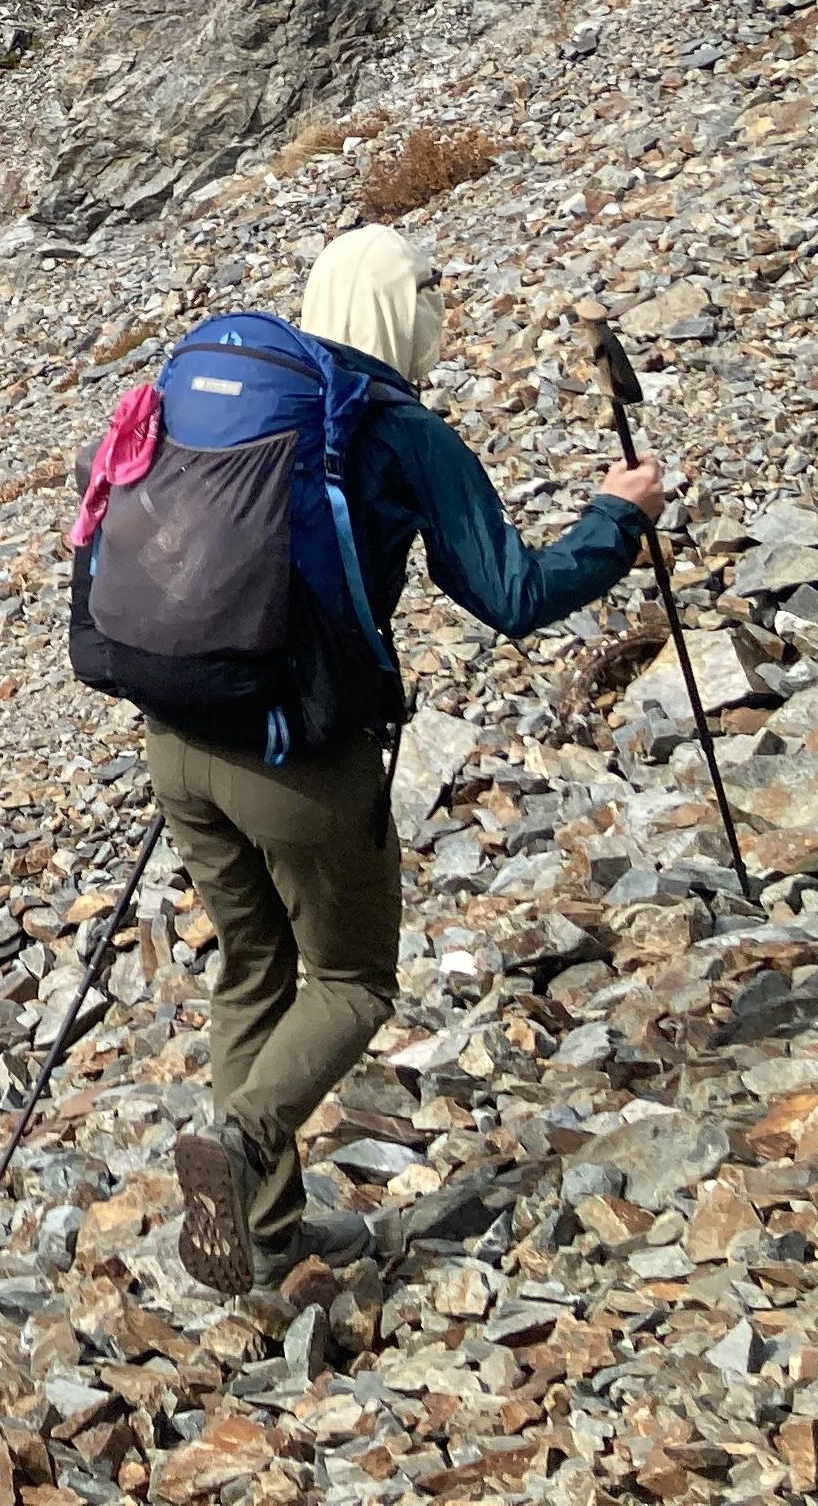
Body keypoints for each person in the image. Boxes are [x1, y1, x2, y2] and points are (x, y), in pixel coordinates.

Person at [154, 224, 665, 1294]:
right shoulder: (394, 429)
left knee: (255, 968)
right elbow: (515, 594)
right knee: (349, 979)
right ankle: (245, 1139)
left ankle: (268, 1233)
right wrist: (618, 520)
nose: (441, 316)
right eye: (431, 295)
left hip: (179, 741)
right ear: (398, 309)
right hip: (302, 760)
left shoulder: (244, 397)